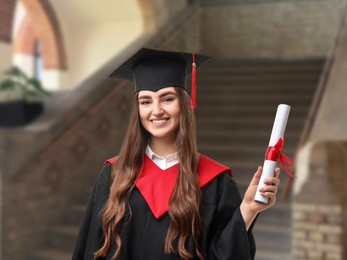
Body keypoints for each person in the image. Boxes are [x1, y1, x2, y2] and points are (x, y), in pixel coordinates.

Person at [72, 48, 280, 260]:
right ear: (137, 110)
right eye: (145, 101)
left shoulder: (215, 182)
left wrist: (248, 209)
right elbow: (89, 247)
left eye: (167, 99)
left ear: (185, 103)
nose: (156, 111)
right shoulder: (113, 174)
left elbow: (223, 254)